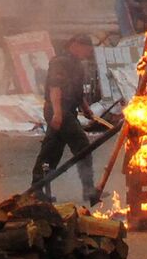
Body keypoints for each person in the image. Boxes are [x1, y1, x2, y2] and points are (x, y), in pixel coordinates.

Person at [31, 33, 98, 204]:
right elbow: (55, 88)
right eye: (85, 50)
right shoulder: (59, 62)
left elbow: (78, 92)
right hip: (57, 109)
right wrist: (58, 113)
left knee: (52, 149)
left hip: (68, 110)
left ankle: (37, 189)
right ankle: (89, 190)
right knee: (82, 145)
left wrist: (86, 109)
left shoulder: (78, 65)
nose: (86, 54)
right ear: (75, 45)